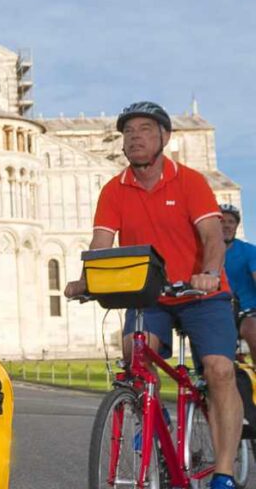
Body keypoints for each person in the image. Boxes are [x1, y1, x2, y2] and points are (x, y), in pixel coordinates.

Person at [65, 101, 241, 489]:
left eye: (145, 130)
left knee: (219, 370)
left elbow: (212, 235)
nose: (135, 138)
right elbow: (101, 242)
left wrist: (210, 273)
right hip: (150, 294)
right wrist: (85, 280)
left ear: (164, 137)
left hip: (200, 293)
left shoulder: (190, 181)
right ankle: (147, 412)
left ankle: (225, 471)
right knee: (133, 353)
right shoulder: (114, 189)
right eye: (129, 132)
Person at [221, 203, 256, 359]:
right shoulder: (203, 253)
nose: (226, 225)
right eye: (221, 221)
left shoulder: (249, 250)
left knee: (253, 333)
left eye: (231, 222)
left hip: (247, 309)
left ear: (236, 226)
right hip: (217, 310)